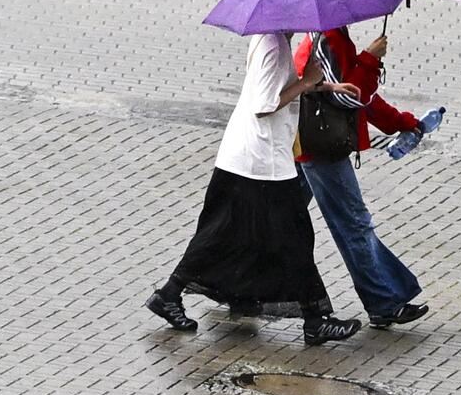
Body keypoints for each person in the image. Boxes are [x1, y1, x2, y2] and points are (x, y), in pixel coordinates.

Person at [146, 32, 364, 346]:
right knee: (295, 237)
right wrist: (306, 82)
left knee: (221, 235)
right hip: (261, 162)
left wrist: (324, 86)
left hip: (249, 158)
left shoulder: (272, 41)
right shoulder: (274, 47)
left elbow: (268, 91)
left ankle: (169, 294)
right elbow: (263, 105)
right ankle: (315, 319)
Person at [294, 28, 430, 329]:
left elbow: (362, 94)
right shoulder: (329, 37)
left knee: (281, 219)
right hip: (320, 148)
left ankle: (233, 285)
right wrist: (370, 59)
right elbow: (350, 97)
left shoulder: (334, 34)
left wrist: (402, 122)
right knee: (355, 224)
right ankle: (383, 303)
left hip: (310, 143)